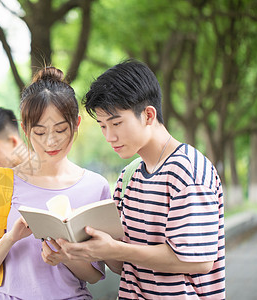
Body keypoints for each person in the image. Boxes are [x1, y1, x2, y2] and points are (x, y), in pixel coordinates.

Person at [57, 59, 226, 299]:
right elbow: (122, 265)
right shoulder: (128, 178)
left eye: (116, 123)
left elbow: (198, 261)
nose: (109, 136)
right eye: (103, 126)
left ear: (148, 115)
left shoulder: (189, 172)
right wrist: (85, 241)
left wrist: (117, 248)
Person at [0, 67, 111, 299]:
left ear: (76, 124)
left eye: (61, 129)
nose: (51, 141)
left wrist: (65, 255)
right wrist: (11, 238)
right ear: (25, 130)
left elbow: (95, 275)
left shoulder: (96, 186)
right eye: (40, 132)